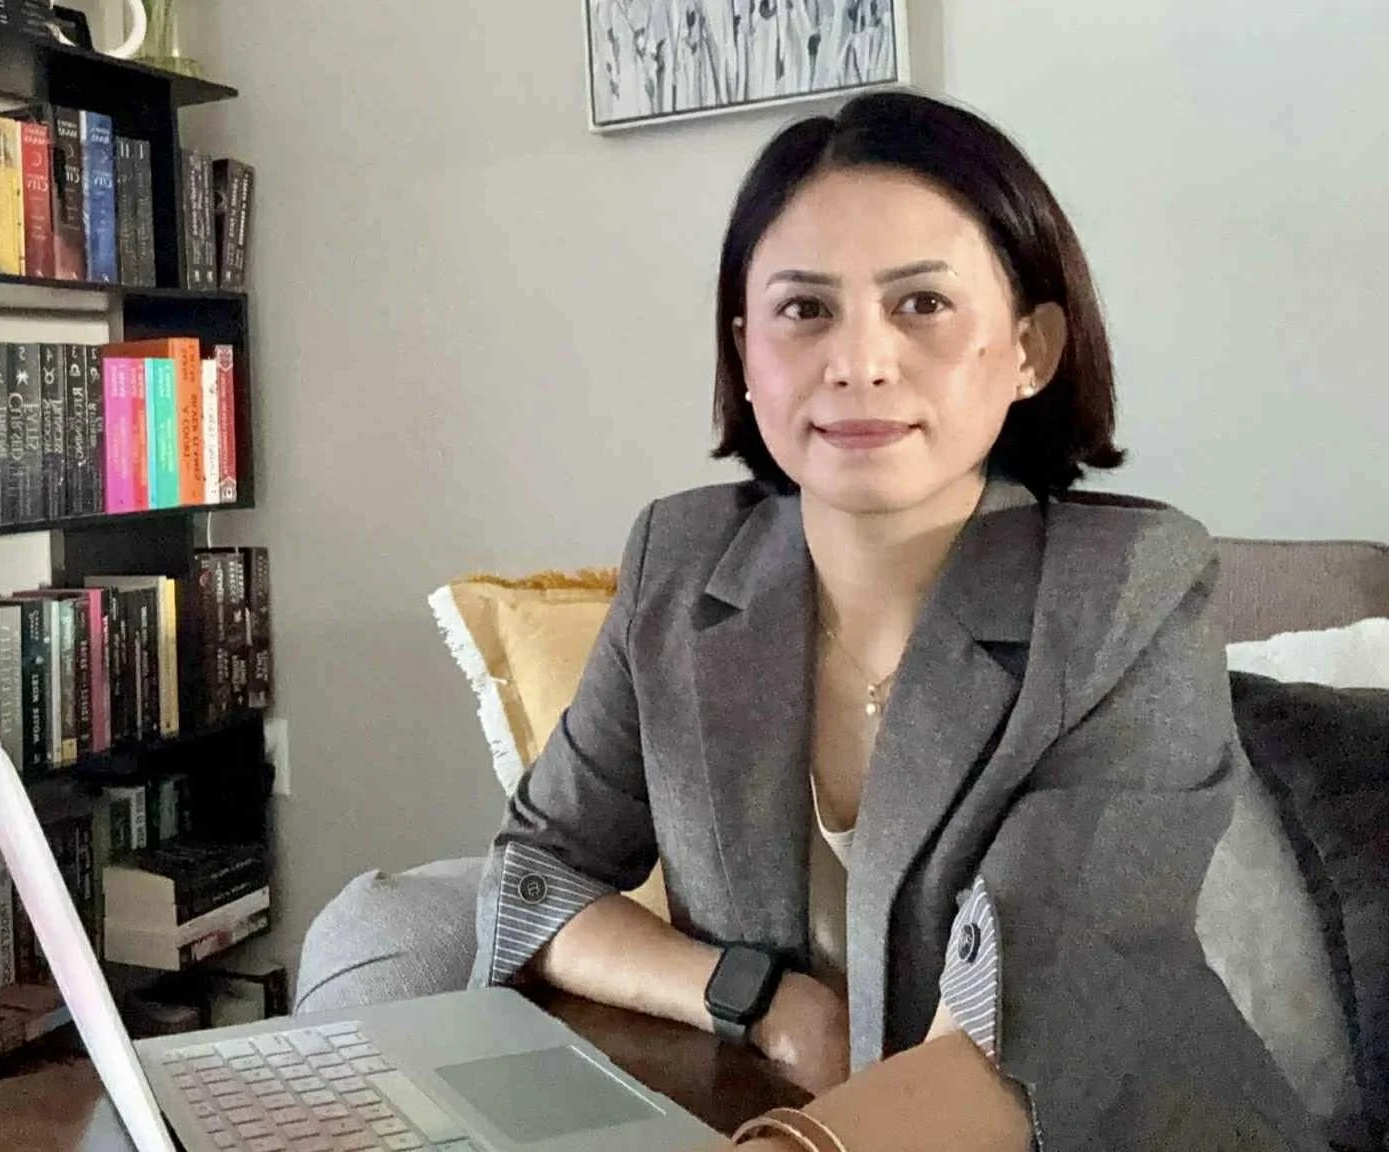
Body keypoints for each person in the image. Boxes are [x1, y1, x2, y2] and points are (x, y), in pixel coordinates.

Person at [474, 90, 1320, 1151]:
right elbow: (537, 880)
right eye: (803, 310)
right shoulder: (678, 567)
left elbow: (1029, 1007)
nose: (858, 362)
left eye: (921, 304)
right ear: (745, 353)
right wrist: (758, 999)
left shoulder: (1128, 590)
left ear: (1030, 348)